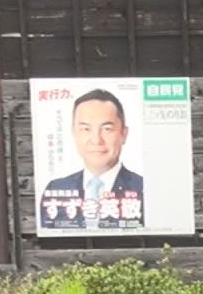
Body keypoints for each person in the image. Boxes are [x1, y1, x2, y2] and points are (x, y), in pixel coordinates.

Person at [39, 88, 146, 231]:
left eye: (106, 129)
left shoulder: (144, 189)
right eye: (85, 129)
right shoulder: (57, 189)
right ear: (74, 133)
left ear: (124, 134)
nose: (96, 140)